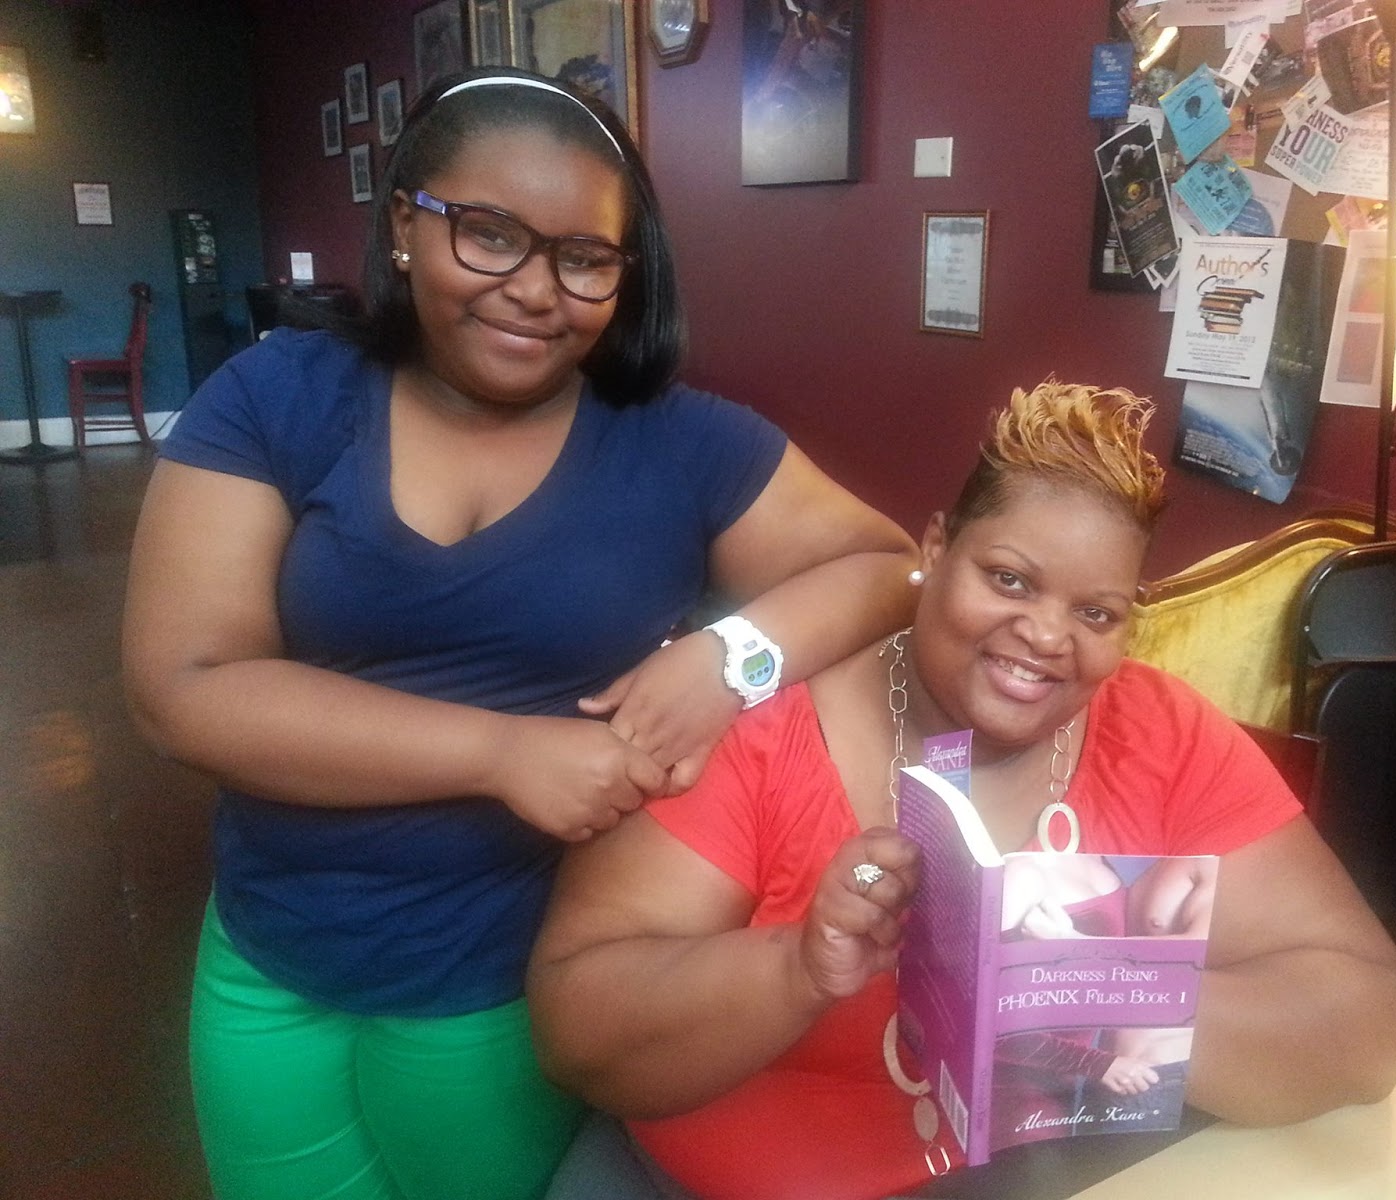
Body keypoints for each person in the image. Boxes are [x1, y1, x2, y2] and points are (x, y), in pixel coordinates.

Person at [121, 67, 918, 1200]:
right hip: (269, 957)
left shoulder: (678, 443)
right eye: (489, 234)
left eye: (584, 257)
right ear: (405, 226)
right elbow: (185, 687)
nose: (537, 291)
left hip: (503, 988)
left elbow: (891, 567)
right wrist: (503, 753)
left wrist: (727, 660)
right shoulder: (280, 396)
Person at [529, 380, 1396, 1200]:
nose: (1046, 636)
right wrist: (797, 967)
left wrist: (1094, 984)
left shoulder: (1161, 732)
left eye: (1096, 613)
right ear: (937, 547)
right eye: (1009, 580)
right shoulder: (761, 733)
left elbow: (1367, 1030)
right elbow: (578, 1030)